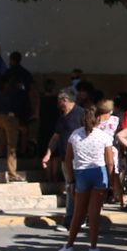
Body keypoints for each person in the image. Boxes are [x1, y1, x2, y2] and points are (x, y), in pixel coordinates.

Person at [59, 103, 116, 251]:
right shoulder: (104, 137)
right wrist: (110, 181)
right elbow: (110, 162)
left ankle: (69, 245)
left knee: (78, 213)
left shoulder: (75, 135)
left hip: (81, 174)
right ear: (98, 119)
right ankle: (93, 248)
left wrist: (70, 180)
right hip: (99, 173)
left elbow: (68, 158)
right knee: (94, 214)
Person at [43, 87, 85, 227]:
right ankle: (73, 218)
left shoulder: (80, 114)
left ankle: (74, 219)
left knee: (75, 188)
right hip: (65, 160)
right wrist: (48, 154)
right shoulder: (62, 117)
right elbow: (56, 137)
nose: (58, 103)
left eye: (59, 100)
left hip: (79, 159)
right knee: (71, 188)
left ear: (65, 100)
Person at [0, 70, 32, 184]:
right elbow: (24, 109)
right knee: (12, 147)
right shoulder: (20, 92)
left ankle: (0, 153)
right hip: (10, 117)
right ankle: (12, 173)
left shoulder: (5, 91)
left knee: (3, 132)